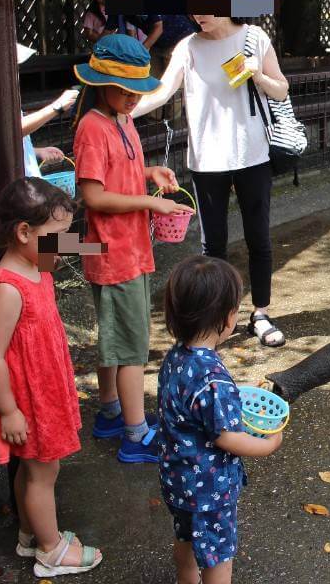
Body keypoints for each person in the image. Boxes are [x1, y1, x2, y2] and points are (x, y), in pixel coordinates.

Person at [132, 0, 291, 348]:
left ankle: (261, 313)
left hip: (251, 153)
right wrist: (122, 109)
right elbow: (163, 92)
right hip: (206, 160)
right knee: (212, 244)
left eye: (204, 2)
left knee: (259, 238)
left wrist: (257, 74)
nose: (197, 12)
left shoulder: (254, 38)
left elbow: (281, 90)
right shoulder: (187, 47)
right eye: (192, 3)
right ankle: (220, 317)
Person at [71, 34, 192, 464]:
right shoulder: (92, 127)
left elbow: (119, 171)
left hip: (130, 248)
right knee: (131, 348)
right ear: (100, 83)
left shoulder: (121, 120)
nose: (129, 97)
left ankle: (109, 412)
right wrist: (149, 201)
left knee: (116, 338)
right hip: (113, 251)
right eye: (122, 90)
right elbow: (94, 196)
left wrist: (149, 172)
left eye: (134, 91)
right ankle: (136, 434)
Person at [0, 177, 102, 577]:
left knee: (34, 467)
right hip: (27, 398)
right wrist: (9, 411)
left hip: (44, 387)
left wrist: (106, 242)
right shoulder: (9, 288)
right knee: (43, 470)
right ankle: (50, 549)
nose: (61, 244)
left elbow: (76, 244)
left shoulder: (35, 261)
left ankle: (30, 532)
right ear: (23, 231)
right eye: (55, 236)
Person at [158, 255, 283, 584]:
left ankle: (187, 579)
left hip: (177, 479)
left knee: (185, 536)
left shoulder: (175, 357)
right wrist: (267, 445)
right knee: (217, 554)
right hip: (209, 490)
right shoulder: (213, 379)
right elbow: (227, 437)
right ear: (225, 319)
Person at [0, 37, 78, 178]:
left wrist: (35, 151)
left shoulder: (3, 98)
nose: (13, 73)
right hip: (6, 188)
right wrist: (56, 107)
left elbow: (7, 142)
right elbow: (12, 130)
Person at [81, 0, 151, 49]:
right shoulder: (94, 12)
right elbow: (107, 31)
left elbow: (158, 28)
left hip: (150, 44)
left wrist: (139, 51)